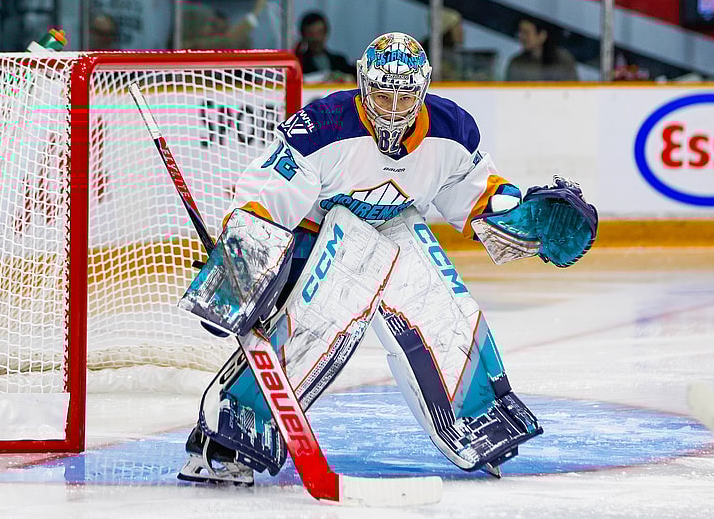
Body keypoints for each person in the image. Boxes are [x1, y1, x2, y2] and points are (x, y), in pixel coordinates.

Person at [177, 32, 597, 485]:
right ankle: (230, 431)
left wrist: (517, 214)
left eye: (404, 96)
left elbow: (471, 191)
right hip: (315, 235)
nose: (393, 109)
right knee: (319, 321)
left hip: (397, 223)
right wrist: (241, 264)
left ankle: (478, 417)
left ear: (423, 89)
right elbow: (268, 195)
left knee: (443, 304)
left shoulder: (451, 130)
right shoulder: (325, 124)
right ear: (362, 83)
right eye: (382, 93)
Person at [182, 0, 269, 50]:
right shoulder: (187, 45)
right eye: (214, 26)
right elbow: (229, 39)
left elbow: (228, 40)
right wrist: (257, 12)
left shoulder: (199, 46)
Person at [505, 18, 578, 82]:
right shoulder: (517, 63)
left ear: (542, 35)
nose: (521, 37)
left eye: (526, 33)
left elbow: (573, 91)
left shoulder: (563, 60)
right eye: (520, 32)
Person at [294, 11, 354, 83]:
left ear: (326, 33)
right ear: (303, 35)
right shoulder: (299, 64)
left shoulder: (340, 61)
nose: (316, 38)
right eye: (311, 34)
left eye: (319, 32)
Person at [420, 7, 466, 81]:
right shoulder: (428, 54)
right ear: (446, 30)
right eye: (457, 27)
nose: (461, 31)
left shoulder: (451, 52)